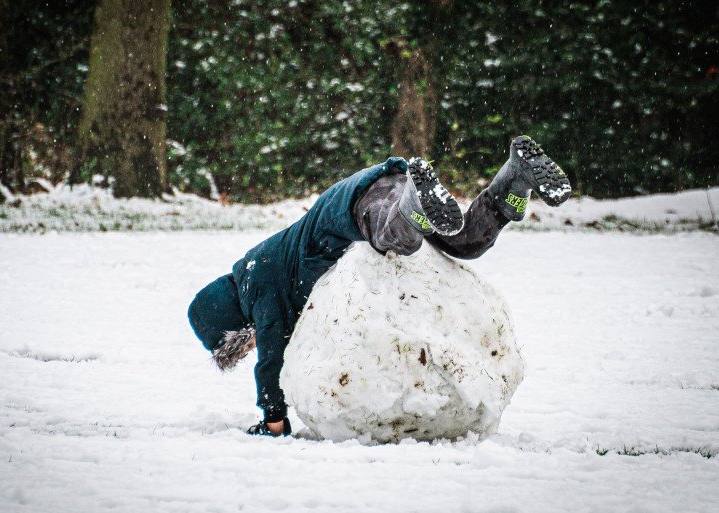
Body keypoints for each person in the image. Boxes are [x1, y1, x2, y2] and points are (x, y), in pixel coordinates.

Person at [187, 135, 570, 437]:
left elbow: (271, 356)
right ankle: (514, 180)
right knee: (466, 242)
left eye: (243, 344)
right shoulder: (262, 274)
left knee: (395, 239)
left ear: (234, 326)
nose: (251, 347)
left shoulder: (258, 281)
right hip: (383, 196)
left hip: (355, 203)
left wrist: (273, 420)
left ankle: (413, 203)